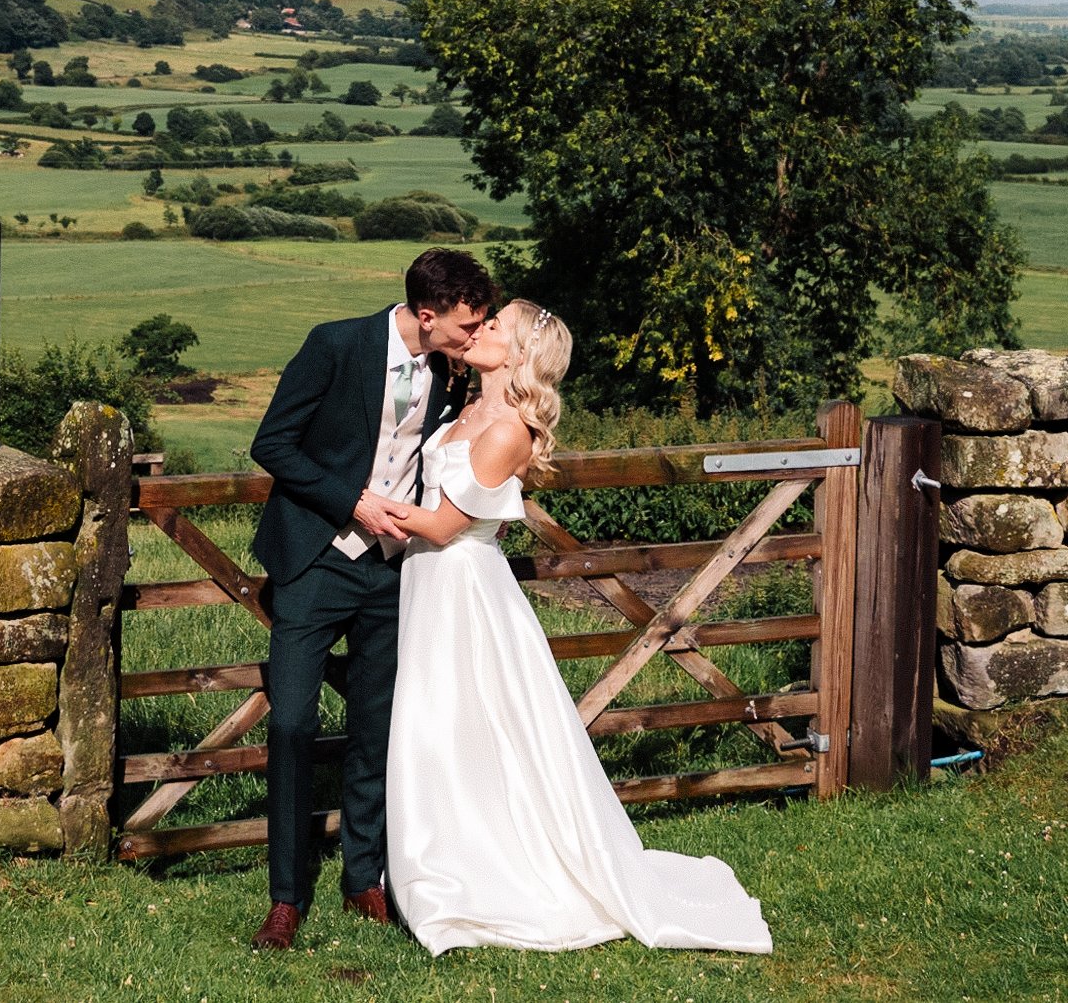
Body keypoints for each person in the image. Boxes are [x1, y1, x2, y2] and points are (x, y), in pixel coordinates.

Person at [382, 298, 773, 955]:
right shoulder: (468, 407)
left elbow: (446, 523)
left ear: (519, 354)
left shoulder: (506, 429)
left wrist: (359, 502)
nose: (479, 330)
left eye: (494, 325)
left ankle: (471, 873)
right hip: (432, 582)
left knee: (453, 717)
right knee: (442, 721)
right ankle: (447, 854)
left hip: (462, 587)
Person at [245, 247, 497, 952]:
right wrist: (352, 500)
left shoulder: (455, 369)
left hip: (394, 572)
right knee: (292, 723)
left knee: (377, 729)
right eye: (467, 324)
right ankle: (286, 897)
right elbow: (273, 443)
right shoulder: (335, 344)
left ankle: (364, 875)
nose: (474, 335)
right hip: (316, 562)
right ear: (427, 315)